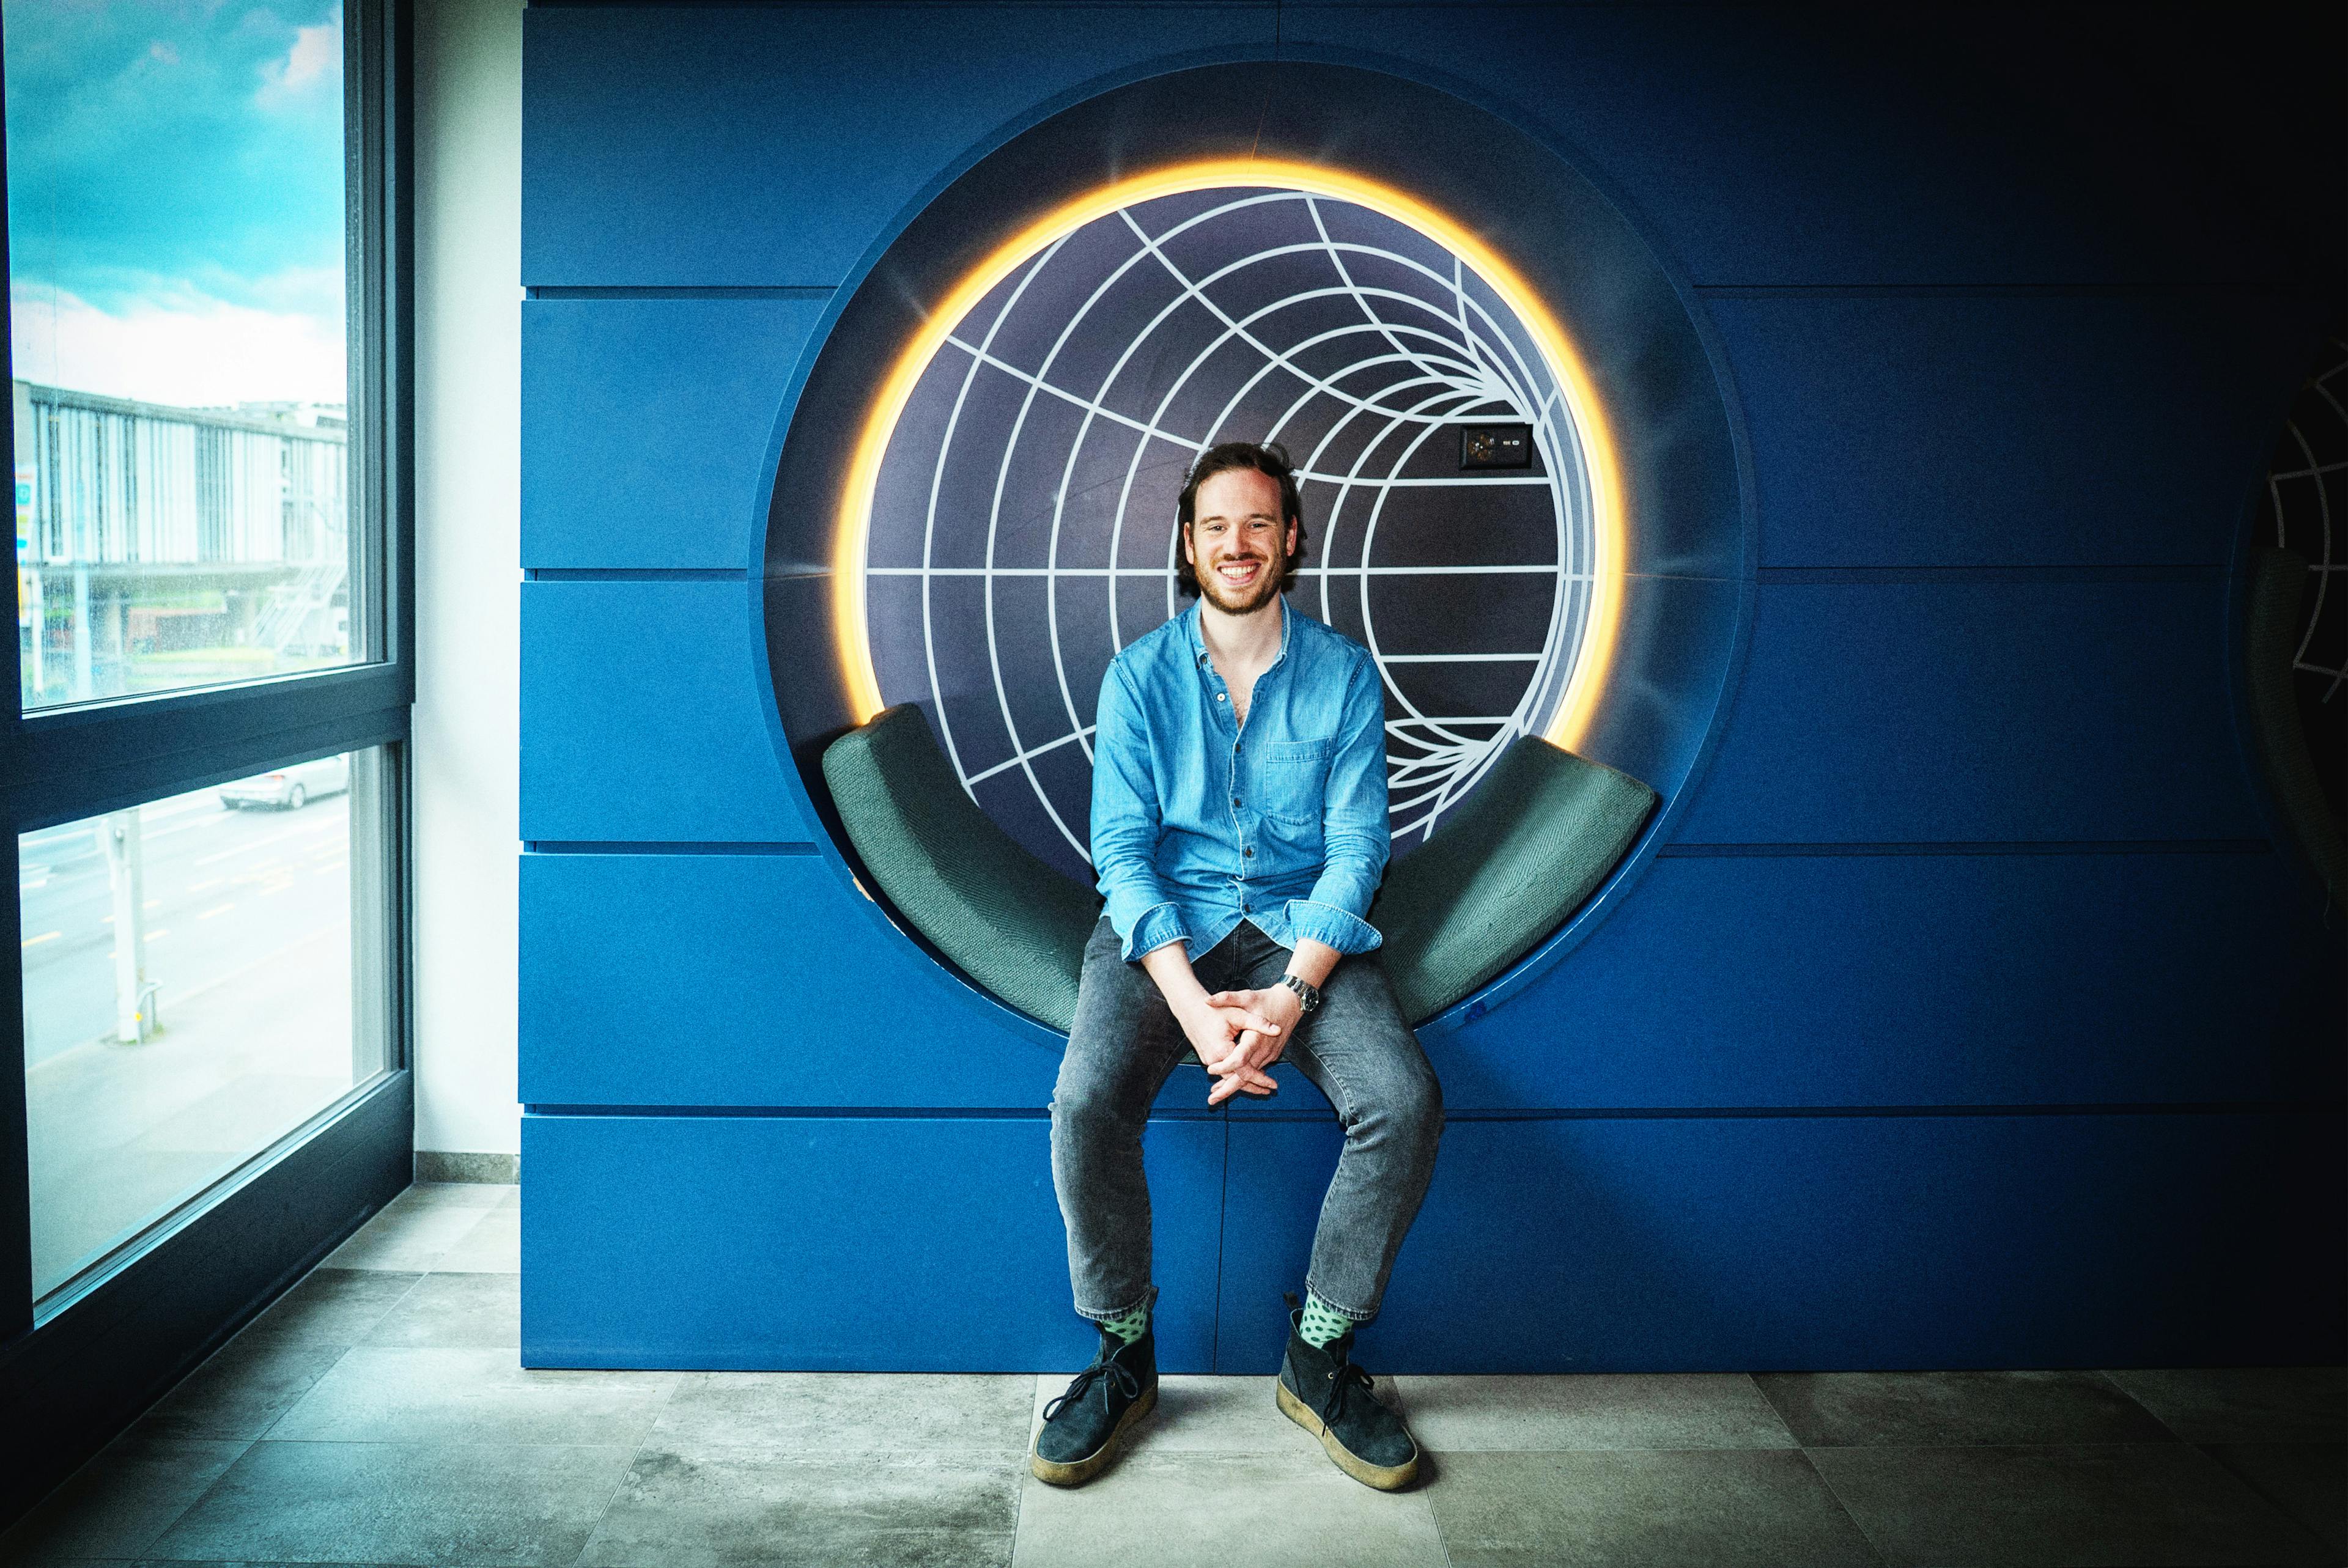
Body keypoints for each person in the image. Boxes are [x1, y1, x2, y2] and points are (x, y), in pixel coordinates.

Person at [1030, 441, 1444, 1492]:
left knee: (1402, 1096)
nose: (1238, 544)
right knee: (1083, 1101)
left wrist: (1293, 995)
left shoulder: (1344, 673)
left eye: (1259, 523)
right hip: (1167, 926)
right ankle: (1124, 1354)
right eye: (1216, 525)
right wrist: (1197, 1011)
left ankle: (1319, 1353)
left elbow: (1359, 853)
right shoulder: (1137, 675)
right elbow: (1119, 855)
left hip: (1302, 928)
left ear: (1291, 537)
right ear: (1188, 541)